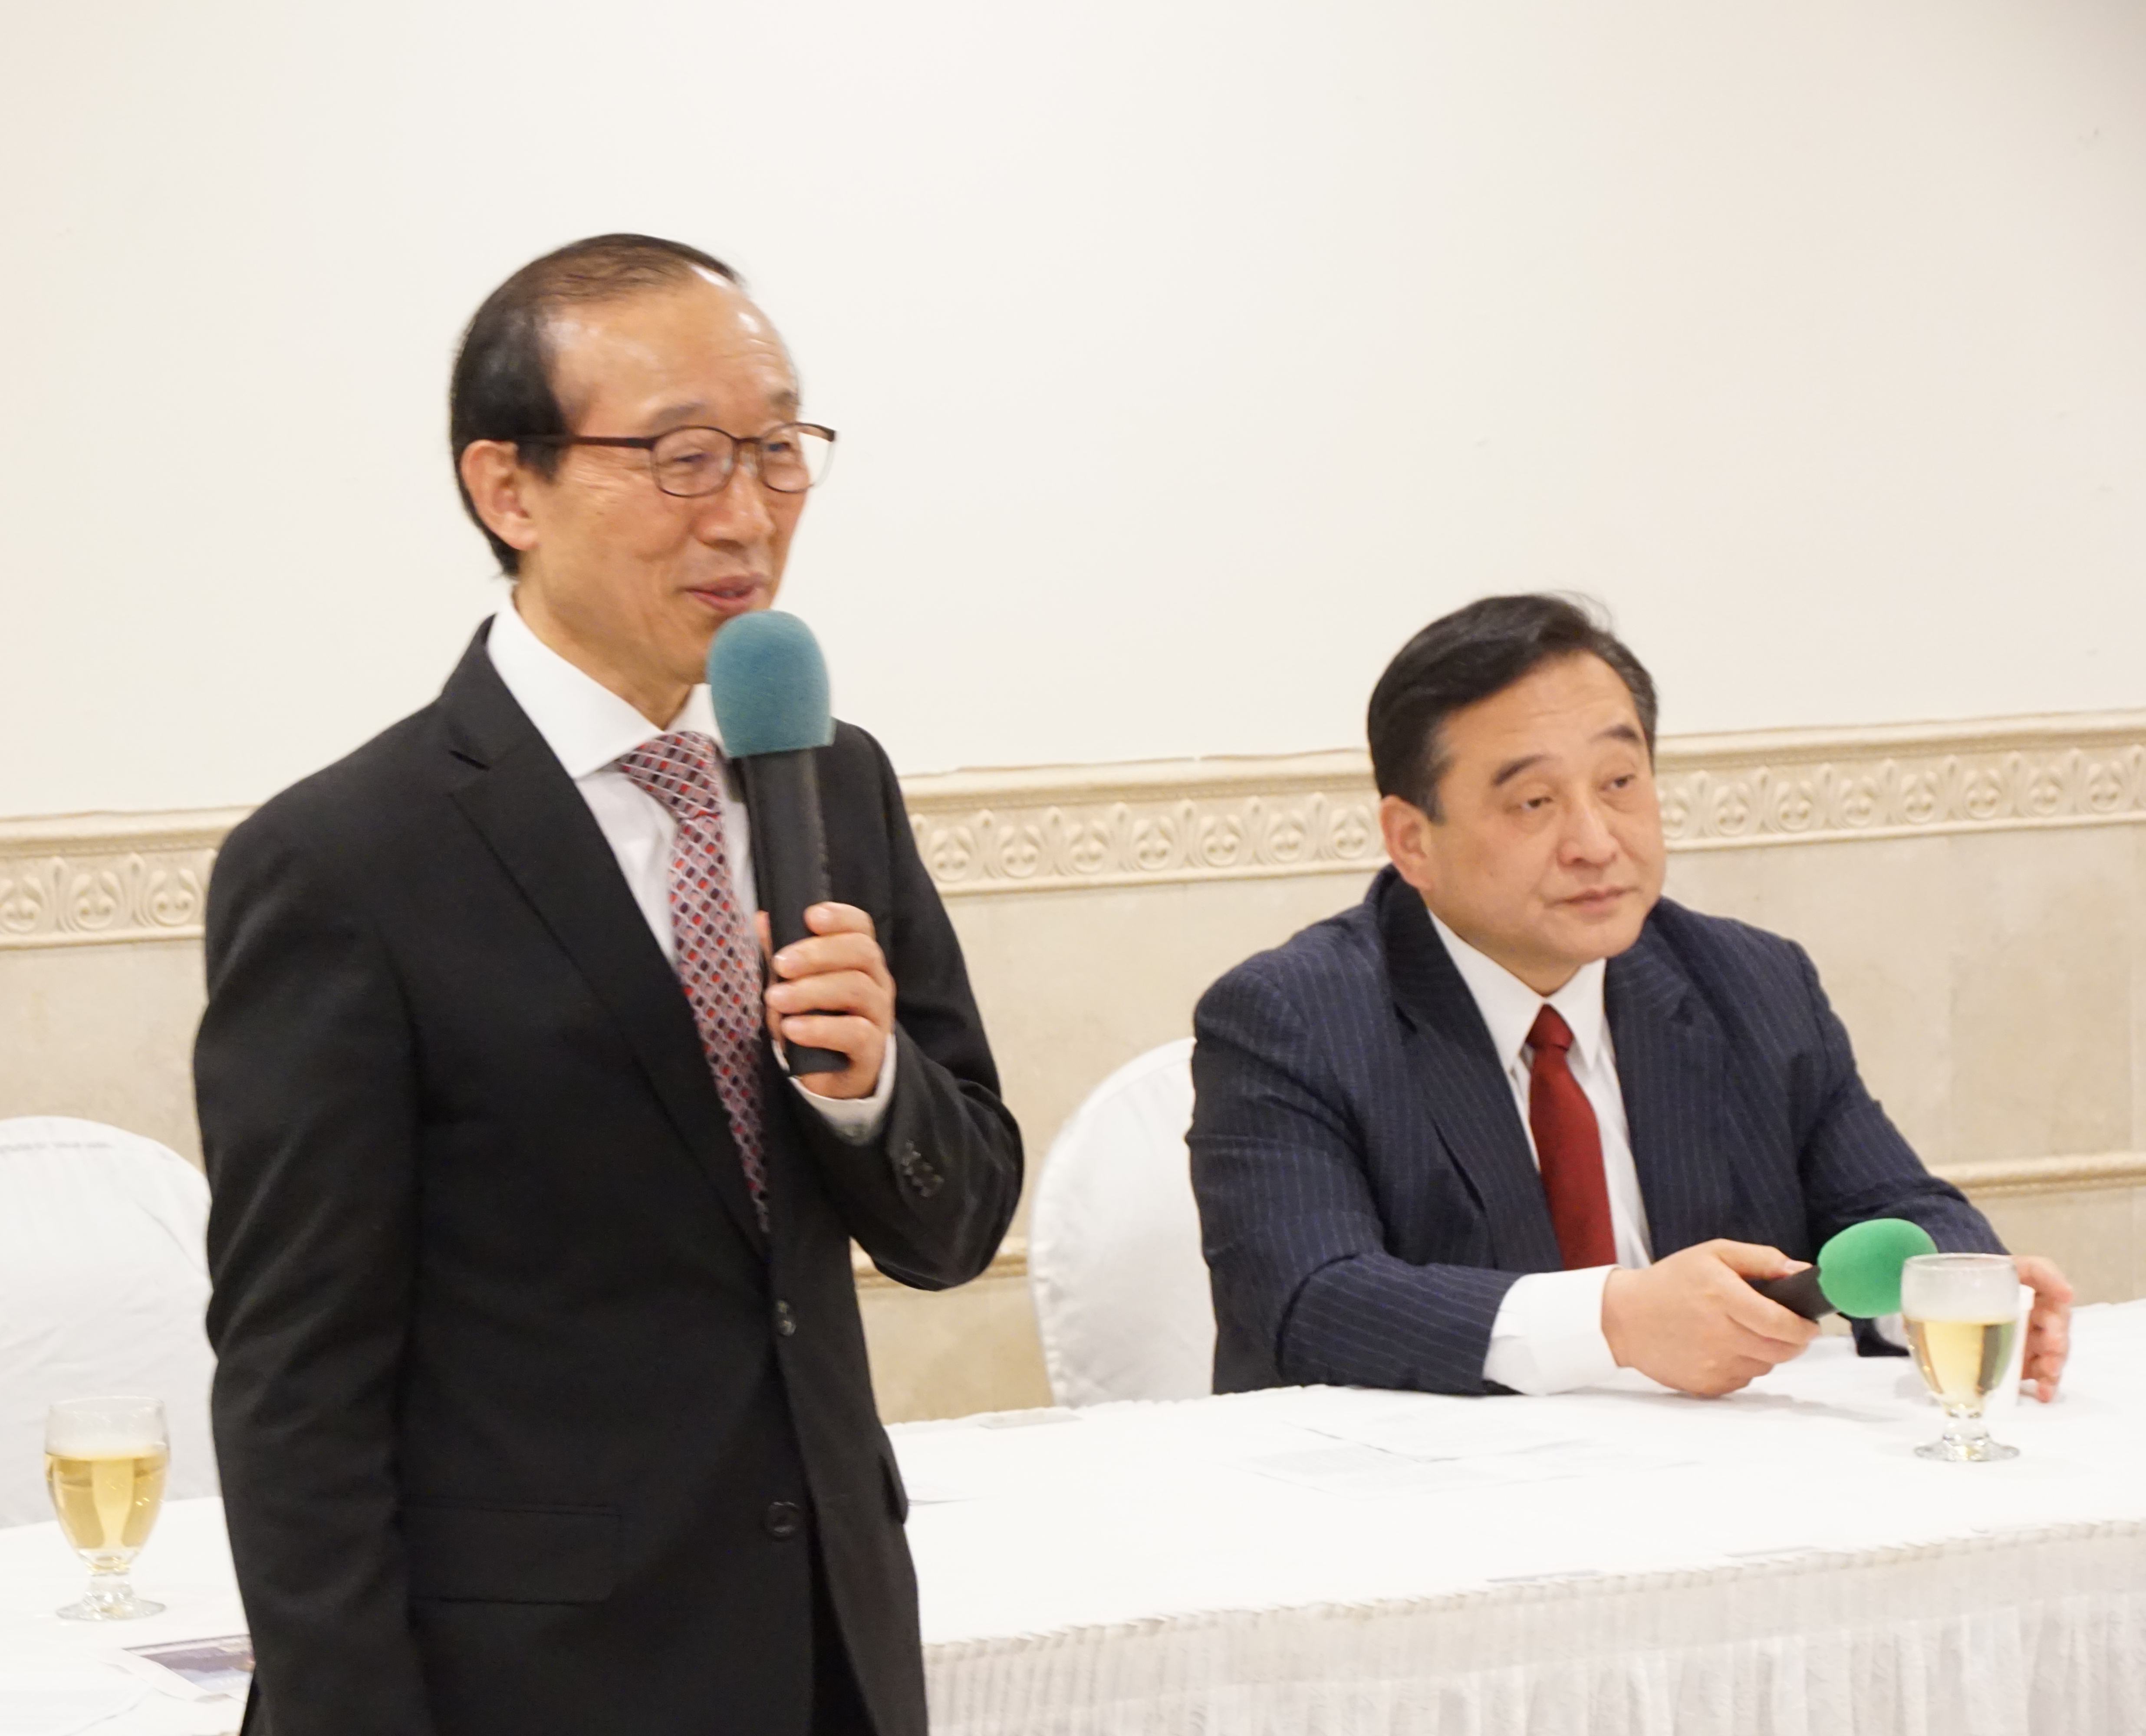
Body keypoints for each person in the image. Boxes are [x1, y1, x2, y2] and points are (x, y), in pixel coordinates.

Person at [194, 235, 1023, 1736]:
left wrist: (873, 1090)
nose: (747, 513)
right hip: (531, 1683)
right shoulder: (343, 864)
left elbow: (954, 1229)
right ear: (507, 489)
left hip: (830, 1650)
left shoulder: (831, 780)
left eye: (778, 451)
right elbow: (296, 1386)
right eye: (683, 458)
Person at [1188, 594, 2073, 1400]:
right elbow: (1310, 1299)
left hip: (1722, 1482)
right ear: (1412, 840)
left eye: (1620, 783)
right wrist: (1615, 1320)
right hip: (1430, 1497)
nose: (1595, 841)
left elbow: (1897, 1210)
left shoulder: (1752, 982)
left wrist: (1951, 1290)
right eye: (1534, 801)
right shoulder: (1291, 1018)